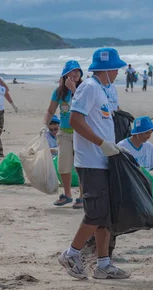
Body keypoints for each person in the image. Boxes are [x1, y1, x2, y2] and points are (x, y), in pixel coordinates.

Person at [58, 47, 130, 280]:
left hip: (106, 159)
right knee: (95, 212)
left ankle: (103, 263)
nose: (118, 73)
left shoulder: (106, 90)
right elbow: (75, 120)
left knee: (106, 215)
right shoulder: (89, 88)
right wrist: (101, 143)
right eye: (116, 69)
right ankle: (71, 253)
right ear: (106, 70)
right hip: (91, 161)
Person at [43, 60, 84, 208]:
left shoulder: (84, 88)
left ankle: (83, 196)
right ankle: (67, 194)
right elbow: (50, 110)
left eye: (78, 71)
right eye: (72, 71)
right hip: (65, 133)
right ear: (65, 75)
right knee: (63, 165)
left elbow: (85, 105)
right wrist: (44, 125)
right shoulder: (59, 92)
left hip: (81, 133)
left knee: (81, 166)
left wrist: (74, 90)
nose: (75, 74)